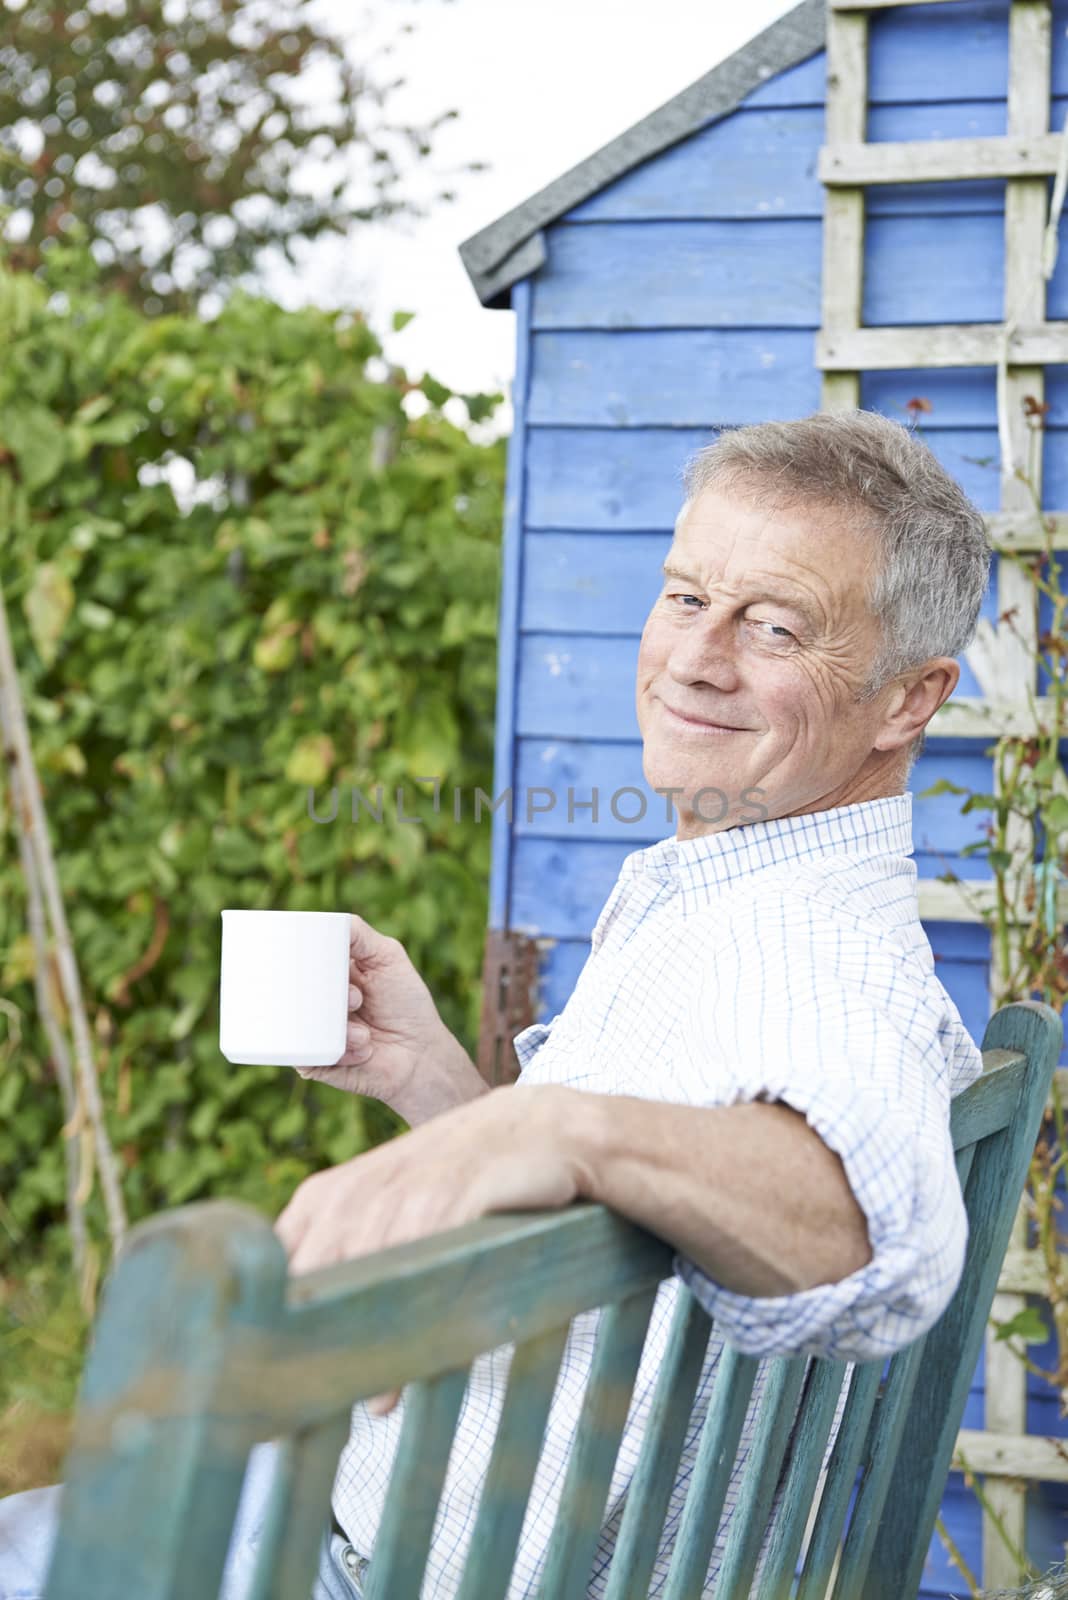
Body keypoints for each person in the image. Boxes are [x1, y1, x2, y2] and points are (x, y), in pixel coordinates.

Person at [0, 408, 994, 1599]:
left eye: (774, 626)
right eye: (686, 598)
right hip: (395, 1516)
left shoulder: (816, 948)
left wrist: (543, 1124)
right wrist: (445, 1089)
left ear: (906, 699)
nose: (696, 656)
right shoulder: (737, 882)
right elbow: (626, 1233)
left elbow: (886, 1228)